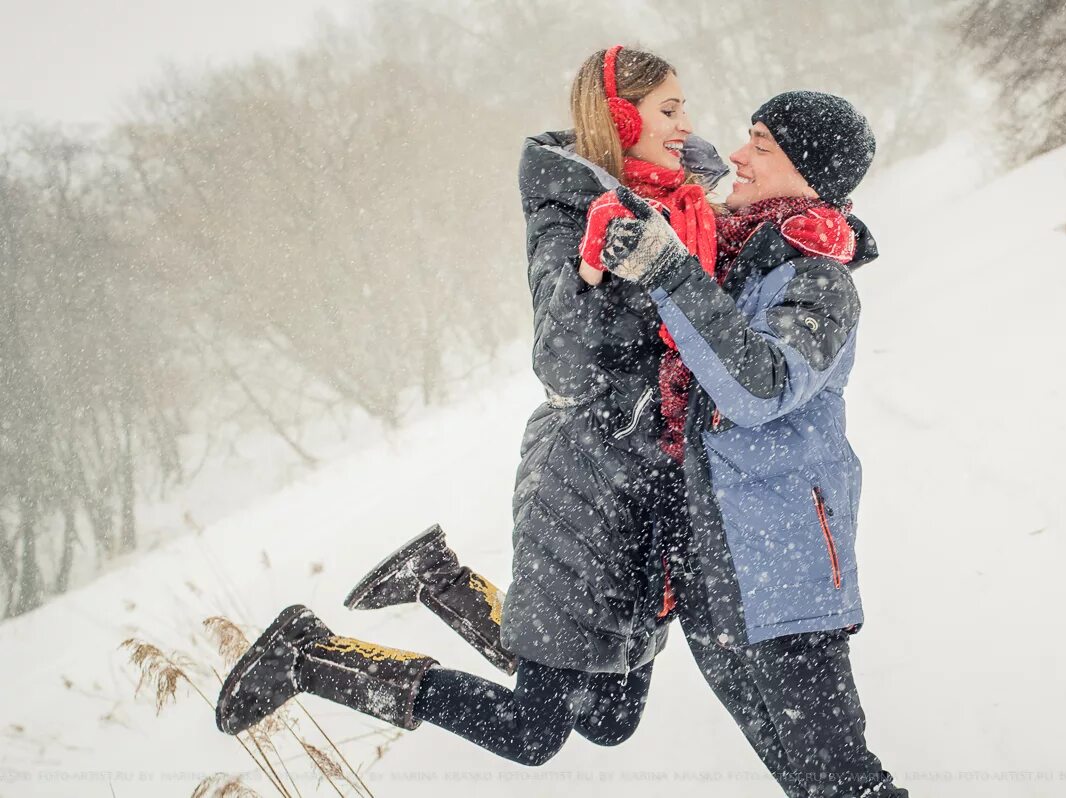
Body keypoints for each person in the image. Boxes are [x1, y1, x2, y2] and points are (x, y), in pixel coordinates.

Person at [215, 46, 724, 767]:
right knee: (532, 732)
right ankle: (310, 655)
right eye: (669, 109)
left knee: (609, 718)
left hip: (653, 488)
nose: (686, 124)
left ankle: (440, 581)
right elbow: (563, 362)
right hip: (588, 487)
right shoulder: (568, 211)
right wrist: (591, 268)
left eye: (684, 109)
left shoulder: (687, 203)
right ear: (619, 114)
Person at [595, 90, 907, 797]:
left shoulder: (818, 279)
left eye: (760, 146)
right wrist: (689, 202)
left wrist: (672, 269)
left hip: (784, 562)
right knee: (803, 782)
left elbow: (761, 386)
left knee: (840, 783)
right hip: (713, 568)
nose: (738, 154)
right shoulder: (745, 258)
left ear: (807, 168)